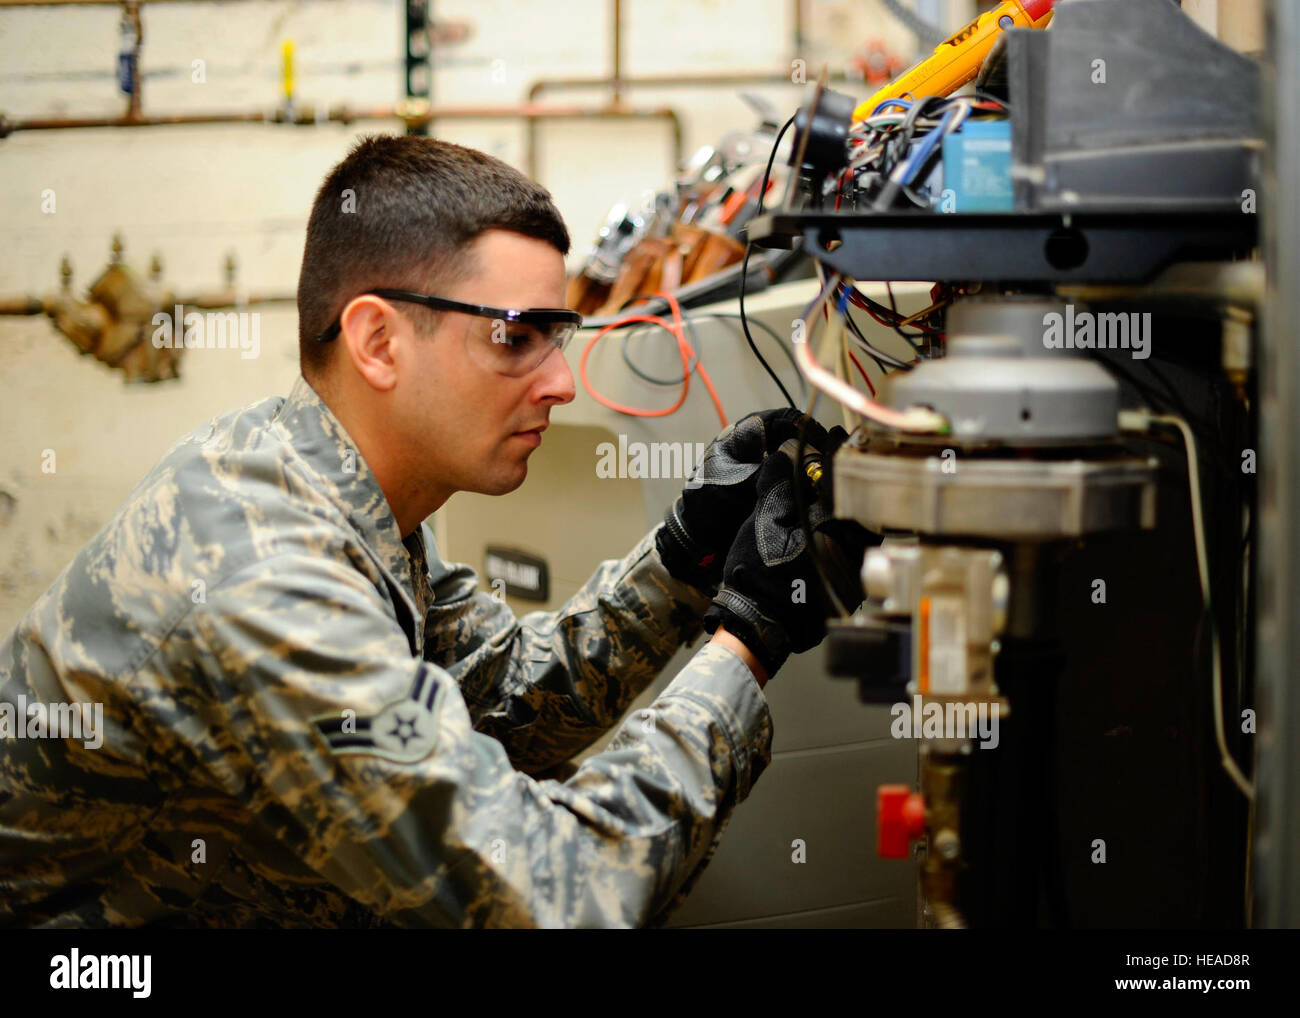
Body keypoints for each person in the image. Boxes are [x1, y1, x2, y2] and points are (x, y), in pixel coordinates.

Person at [0, 135, 840, 928]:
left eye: (561, 338)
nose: (561, 383)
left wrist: (685, 555)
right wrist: (747, 642)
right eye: (516, 337)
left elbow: (504, 699)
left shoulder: (331, 488)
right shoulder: (261, 571)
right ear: (377, 340)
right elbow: (559, 894)